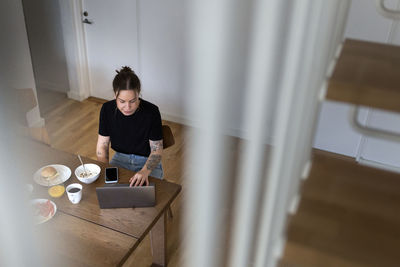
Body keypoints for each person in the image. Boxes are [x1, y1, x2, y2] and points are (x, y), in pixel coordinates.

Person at [96, 66, 163, 187]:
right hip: (120, 159)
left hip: (147, 161)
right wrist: (105, 169)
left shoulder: (152, 111)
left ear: (139, 93)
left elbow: (157, 150)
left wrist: (144, 172)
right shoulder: (106, 109)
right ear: (115, 95)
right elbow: (102, 145)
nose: (127, 107)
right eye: (122, 101)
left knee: (148, 200)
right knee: (111, 194)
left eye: (133, 101)